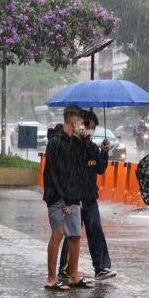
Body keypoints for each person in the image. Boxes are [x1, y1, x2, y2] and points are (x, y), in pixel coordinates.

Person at [58, 110, 117, 281]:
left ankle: (101, 267)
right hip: (74, 199)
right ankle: (65, 269)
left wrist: (104, 152)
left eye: (92, 129)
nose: (89, 131)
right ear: (79, 125)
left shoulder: (91, 146)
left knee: (96, 231)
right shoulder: (70, 145)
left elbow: (100, 168)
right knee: (73, 234)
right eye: (87, 127)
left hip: (90, 197)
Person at [43, 106, 93, 291]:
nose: (83, 126)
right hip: (58, 197)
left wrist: (86, 142)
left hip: (73, 197)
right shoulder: (55, 142)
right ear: (73, 122)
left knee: (75, 236)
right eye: (81, 122)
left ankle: (73, 276)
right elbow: (55, 173)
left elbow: (84, 166)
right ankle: (51, 278)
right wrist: (64, 200)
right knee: (58, 234)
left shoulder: (76, 142)